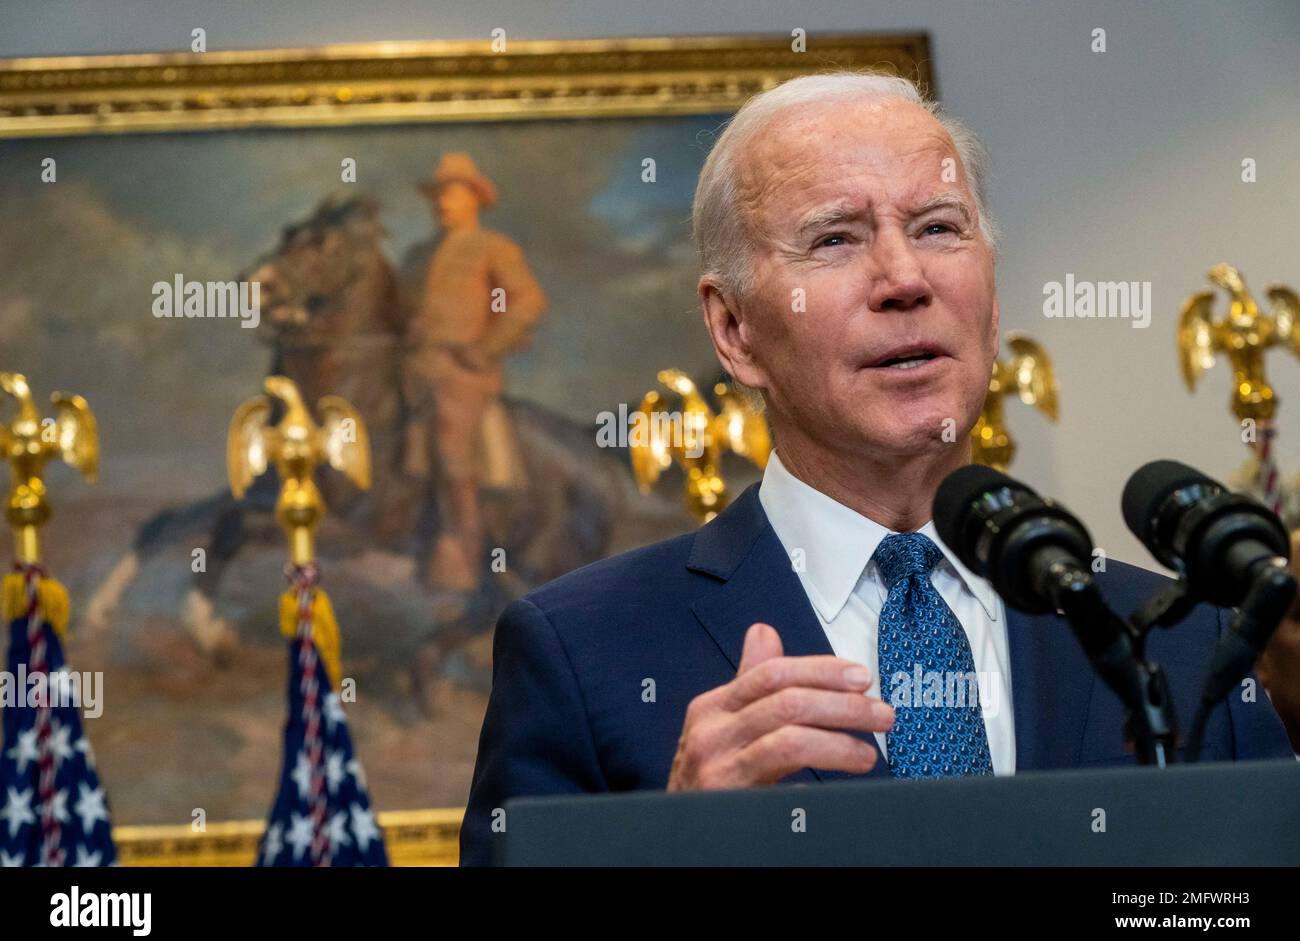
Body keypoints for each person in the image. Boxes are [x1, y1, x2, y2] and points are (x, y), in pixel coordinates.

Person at [459, 71, 1299, 865]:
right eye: (834, 239)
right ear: (735, 330)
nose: (904, 279)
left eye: (938, 228)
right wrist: (671, 850)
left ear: (993, 299)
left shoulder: (1185, 641)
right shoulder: (581, 653)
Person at [401, 153, 547, 593]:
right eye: (439, 194)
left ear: (474, 199)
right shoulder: (417, 255)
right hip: (413, 368)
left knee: (451, 447)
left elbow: (527, 301)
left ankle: (462, 555)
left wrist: (486, 348)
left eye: (454, 193)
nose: (444, 201)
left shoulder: (492, 248)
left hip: (462, 373)